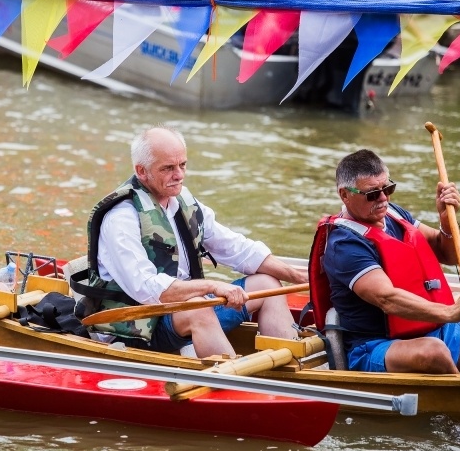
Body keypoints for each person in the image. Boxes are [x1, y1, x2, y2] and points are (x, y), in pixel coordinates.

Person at [72, 125, 308, 359]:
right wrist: (212, 286)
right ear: (141, 171)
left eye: (182, 165)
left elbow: (237, 249)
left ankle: (287, 365)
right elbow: (146, 289)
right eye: (168, 168)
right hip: (138, 326)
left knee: (268, 282)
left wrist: (297, 275)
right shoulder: (121, 217)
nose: (180, 175)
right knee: (199, 307)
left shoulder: (183, 201)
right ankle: (233, 382)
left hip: (184, 310)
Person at [313, 149, 460, 373]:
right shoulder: (343, 244)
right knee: (434, 351)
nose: (383, 199)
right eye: (372, 194)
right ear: (345, 195)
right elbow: (387, 298)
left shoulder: (393, 214)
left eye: (388, 188)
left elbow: (448, 255)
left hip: (433, 329)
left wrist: (446, 220)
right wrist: (450, 312)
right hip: (376, 346)